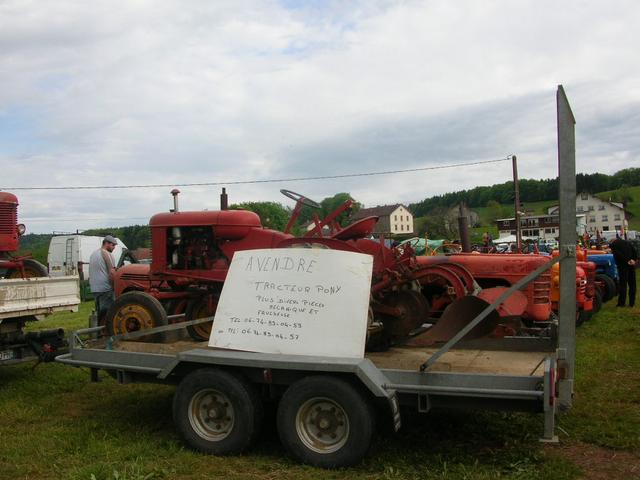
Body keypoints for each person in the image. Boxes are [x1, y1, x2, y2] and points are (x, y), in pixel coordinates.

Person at [89, 235, 118, 322]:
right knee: (109, 314)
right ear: (106, 243)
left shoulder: (93, 254)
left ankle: (98, 332)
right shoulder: (107, 254)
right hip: (105, 289)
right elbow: (112, 273)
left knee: (100, 313)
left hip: (95, 289)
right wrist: (114, 287)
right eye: (113, 245)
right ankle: (106, 332)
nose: (114, 248)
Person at [609, 236, 637, 307]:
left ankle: (621, 303)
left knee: (623, 285)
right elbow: (634, 251)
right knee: (632, 284)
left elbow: (618, 255)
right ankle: (632, 303)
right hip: (631, 264)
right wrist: (632, 260)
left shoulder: (613, 244)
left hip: (622, 266)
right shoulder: (627, 242)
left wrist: (626, 260)